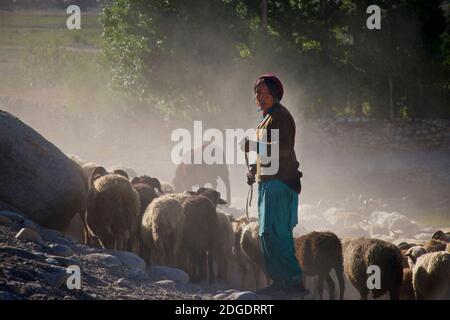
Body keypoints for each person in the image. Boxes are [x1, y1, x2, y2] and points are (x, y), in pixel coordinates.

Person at [242, 74, 309, 297]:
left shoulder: (281, 116)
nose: (260, 97)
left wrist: (253, 145)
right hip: (267, 183)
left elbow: (281, 150)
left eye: (265, 93)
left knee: (278, 233)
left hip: (281, 183)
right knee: (266, 233)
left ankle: (293, 282)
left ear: (275, 94)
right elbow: (266, 155)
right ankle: (279, 281)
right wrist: (254, 169)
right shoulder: (266, 118)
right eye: (258, 93)